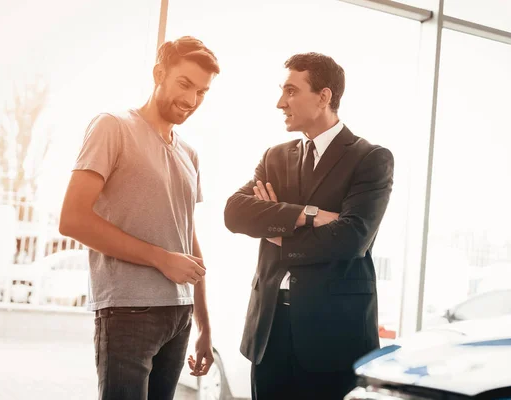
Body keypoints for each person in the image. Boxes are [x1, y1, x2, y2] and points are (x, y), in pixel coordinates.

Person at [224, 52, 394, 400]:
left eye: (291, 91)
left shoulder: (370, 158)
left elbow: (351, 238)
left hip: (333, 337)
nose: (279, 103)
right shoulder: (275, 156)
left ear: (324, 96)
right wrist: (309, 215)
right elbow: (235, 213)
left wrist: (277, 229)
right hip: (269, 332)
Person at [59, 36, 220, 400]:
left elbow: (188, 238)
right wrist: (162, 259)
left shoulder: (190, 153)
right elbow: (72, 219)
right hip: (128, 310)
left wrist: (204, 326)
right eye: (184, 84)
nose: (191, 100)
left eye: (202, 92)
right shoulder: (112, 126)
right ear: (158, 73)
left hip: (179, 314)